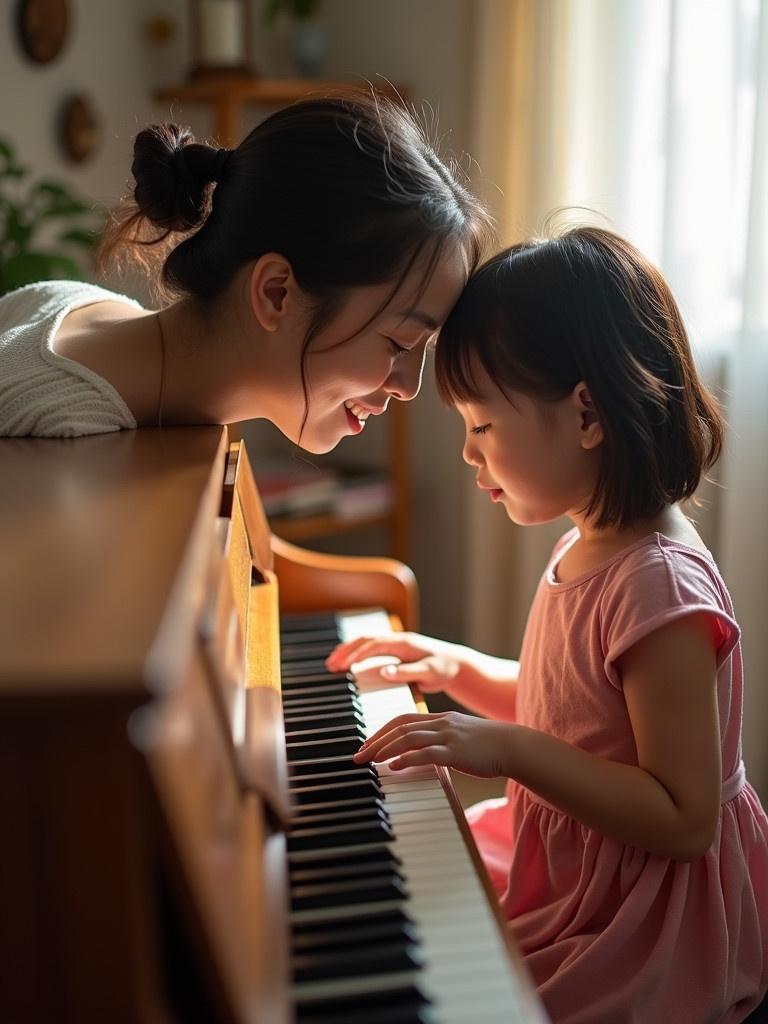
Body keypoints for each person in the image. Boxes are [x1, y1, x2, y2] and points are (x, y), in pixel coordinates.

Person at [327, 226, 768, 1023]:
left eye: (482, 426)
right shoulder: (588, 540)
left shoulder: (659, 585)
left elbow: (683, 817)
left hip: (646, 914)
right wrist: (457, 667)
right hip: (576, 868)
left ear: (587, 414)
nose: (467, 453)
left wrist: (510, 753)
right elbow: (579, 715)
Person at [0, 93, 492, 444]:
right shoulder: (54, 429)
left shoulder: (80, 306)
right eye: (400, 343)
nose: (408, 387)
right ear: (277, 292)